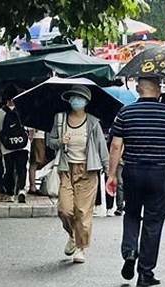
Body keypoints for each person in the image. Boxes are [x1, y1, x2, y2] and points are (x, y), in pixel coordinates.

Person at [106, 77, 165, 287]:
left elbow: (115, 146)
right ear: (158, 90)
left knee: (131, 214)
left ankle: (130, 251)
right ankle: (145, 272)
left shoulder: (125, 112)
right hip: (158, 173)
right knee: (153, 221)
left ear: (138, 89)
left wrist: (111, 175)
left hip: (132, 171)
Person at [47, 84, 109, 263]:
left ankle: (81, 248)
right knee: (64, 210)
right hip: (66, 169)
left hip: (88, 170)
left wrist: (109, 173)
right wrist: (60, 141)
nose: (76, 100)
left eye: (80, 98)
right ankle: (72, 235)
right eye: (73, 97)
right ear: (69, 100)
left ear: (86, 102)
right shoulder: (60, 119)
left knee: (83, 211)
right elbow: (50, 142)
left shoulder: (93, 123)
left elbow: (101, 148)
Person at [0, 85, 30, 203]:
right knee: (22, 168)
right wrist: (29, 141)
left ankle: (10, 193)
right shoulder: (23, 109)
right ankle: (21, 190)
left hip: (7, 146)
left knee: (8, 169)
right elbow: (31, 129)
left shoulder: (1, 112)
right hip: (23, 144)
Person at [27, 128, 47, 195]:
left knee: (36, 163)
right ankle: (32, 186)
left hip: (40, 137)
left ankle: (33, 185)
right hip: (37, 138)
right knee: (35, 162)